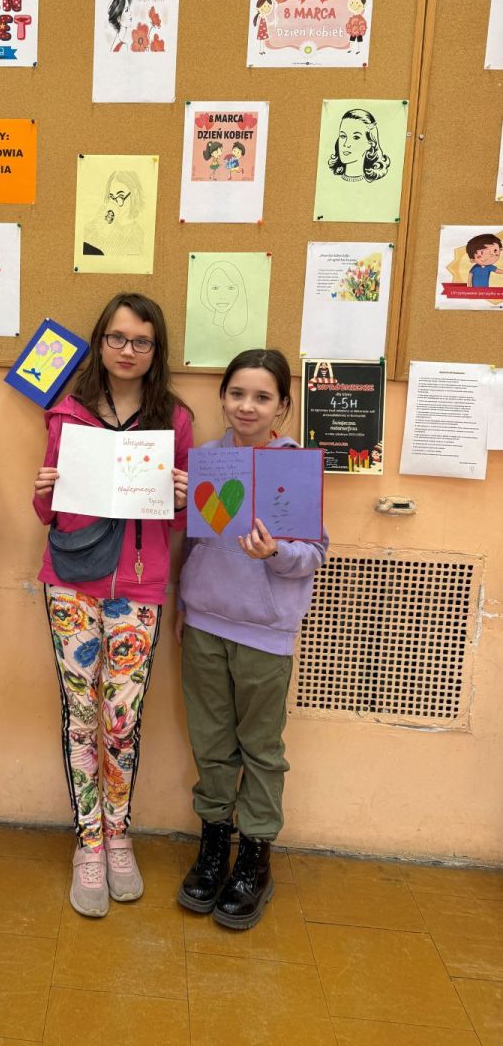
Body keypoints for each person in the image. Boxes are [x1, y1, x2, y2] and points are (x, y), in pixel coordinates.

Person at [33, 294, 193, 918]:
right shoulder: (66, 412)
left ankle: (119, 833)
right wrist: (43, 491)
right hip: (71, 582)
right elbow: (47, 512)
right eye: (117, 338)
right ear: (99, 341)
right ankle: (89, 841)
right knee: (81, 714)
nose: (128, 351)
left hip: (139, 586)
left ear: (156, 350)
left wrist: (182, 497)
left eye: (141, 341)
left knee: (120, 719)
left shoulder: (174, 420)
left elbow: (180, 520)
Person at [176, 349, 327, 930]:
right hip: (204, 625)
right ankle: (215, 841)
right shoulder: (207, 461)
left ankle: (256, 855)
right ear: (222, 398)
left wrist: (276, 553)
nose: (247, 406)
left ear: (282, 407)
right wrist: (183, 605)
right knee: (211, 742)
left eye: (262, 397)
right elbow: (192, 541)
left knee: (261, 748)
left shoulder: (296, 468)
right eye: (237, 393)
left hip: (265, 632)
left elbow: (314, 553)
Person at [327, 108, 390, 182]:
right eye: (343, 136)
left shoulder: (379, 184)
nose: (346, 144)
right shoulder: (329, 180)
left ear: (370, 143)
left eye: (356, 137)